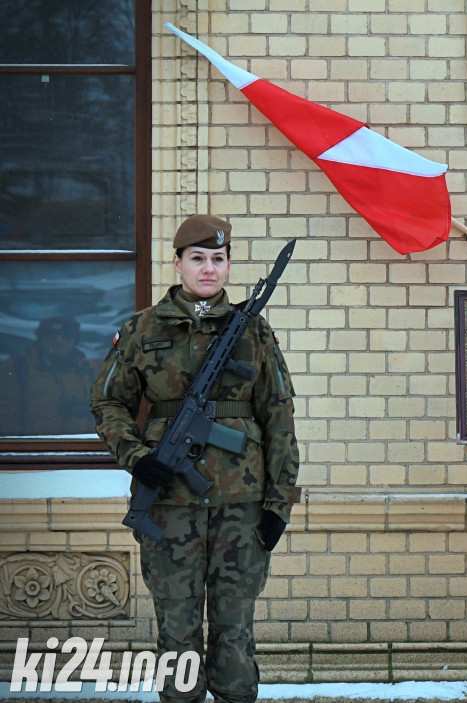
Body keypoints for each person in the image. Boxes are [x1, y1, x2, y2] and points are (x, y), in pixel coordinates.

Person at [90, 214, 300, 703]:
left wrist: (279, 503)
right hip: (169, 507)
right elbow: (107, 402)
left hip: (241, 508)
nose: (209, 269)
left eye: (219, 260)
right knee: (177, 633)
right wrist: (136, 457)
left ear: (228, 266)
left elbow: (280, 420)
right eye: (199, 259)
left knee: (235, 632)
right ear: (179, 263)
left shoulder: (254, 333)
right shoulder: (141, 329)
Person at [0, 315, 96, 436]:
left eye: (67, 336)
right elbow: (7, 417)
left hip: (80, 447)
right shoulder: (17, 367)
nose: (59, 340)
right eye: (51, 334)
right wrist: (18, 448)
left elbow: (99, 413)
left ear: (75, 340)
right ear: (40, 338)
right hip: (34, 448)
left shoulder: (87, 369)